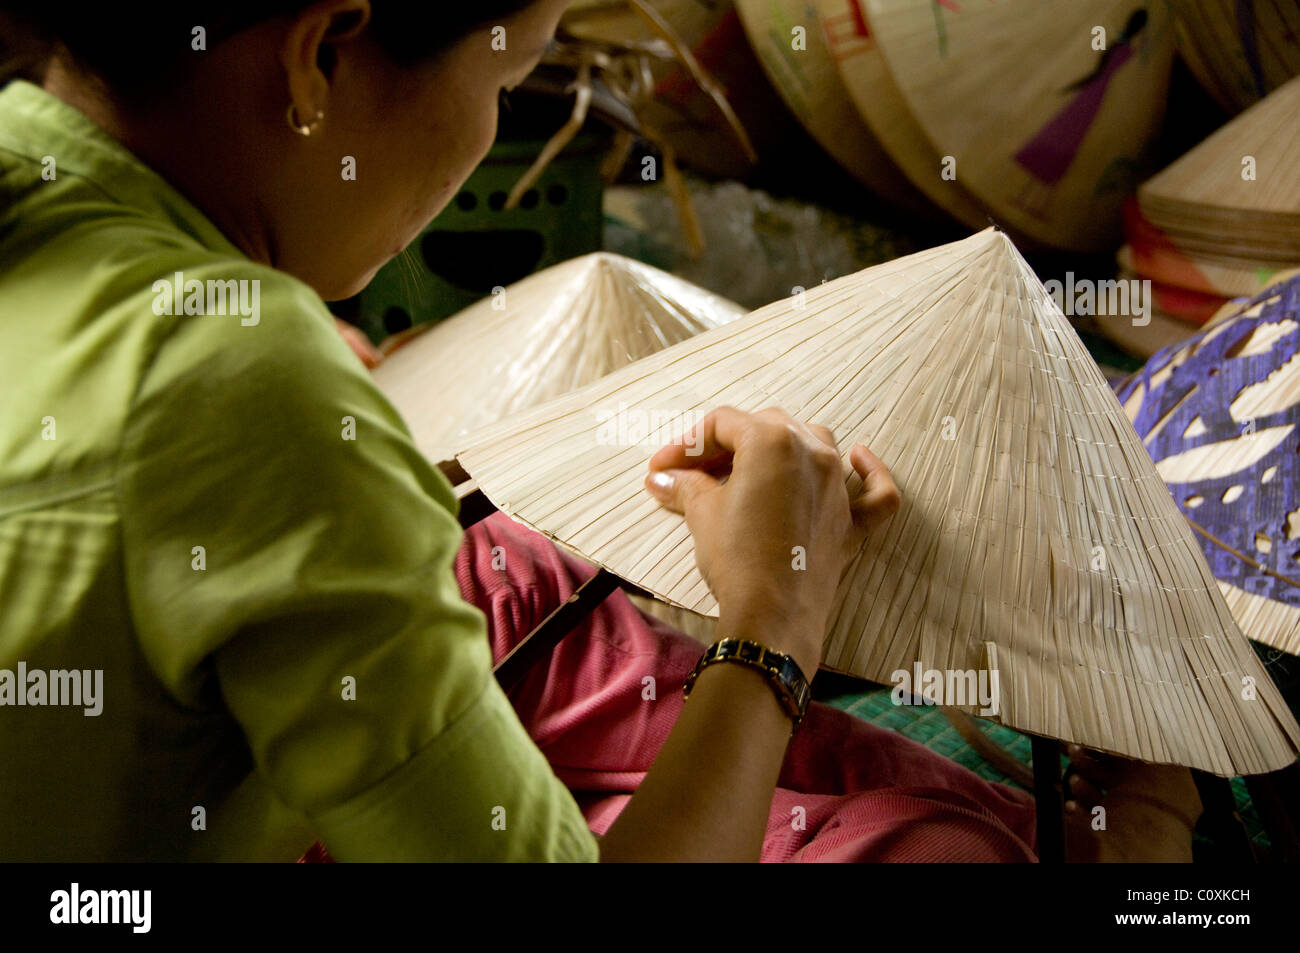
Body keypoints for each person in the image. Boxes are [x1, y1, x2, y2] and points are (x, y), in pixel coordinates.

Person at [0, 1, 1193, 861]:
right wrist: (772, 624)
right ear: (320, 56)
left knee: (523, 578)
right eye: (510, 76)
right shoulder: (241, 379)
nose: (492, 120)